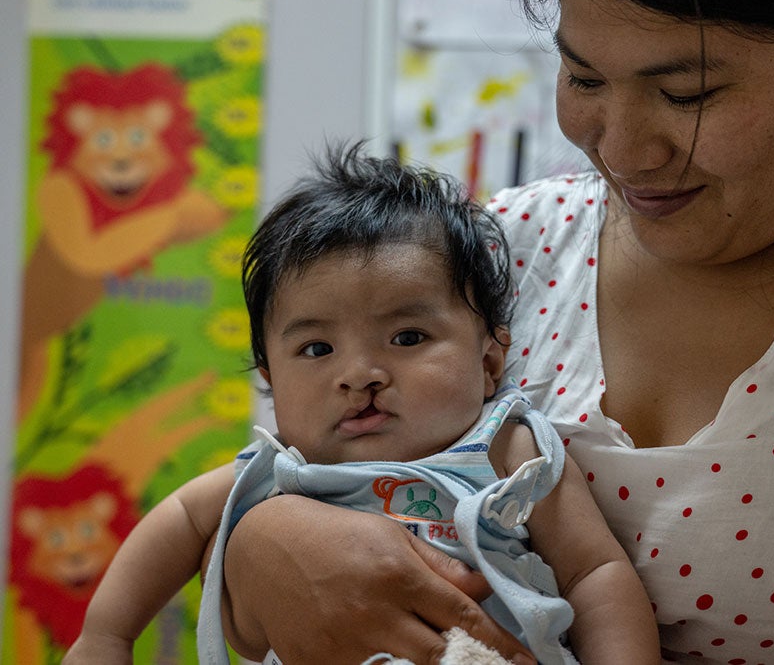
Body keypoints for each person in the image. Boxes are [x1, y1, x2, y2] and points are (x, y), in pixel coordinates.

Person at [213, 0, 774, 663]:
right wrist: (258, 542)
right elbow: (303, 458)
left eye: (688, 93)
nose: (621, 149)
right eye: (583, 75)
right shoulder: (495, 256)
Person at [62, 143, 660, 665]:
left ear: (488, 363)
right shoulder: (282, 470)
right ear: (271, 378)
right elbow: (178, 520)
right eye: (317, 348)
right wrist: (105, 636)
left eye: (407, 338)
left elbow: (594, 573)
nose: (359, 375)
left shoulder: (508, 446)